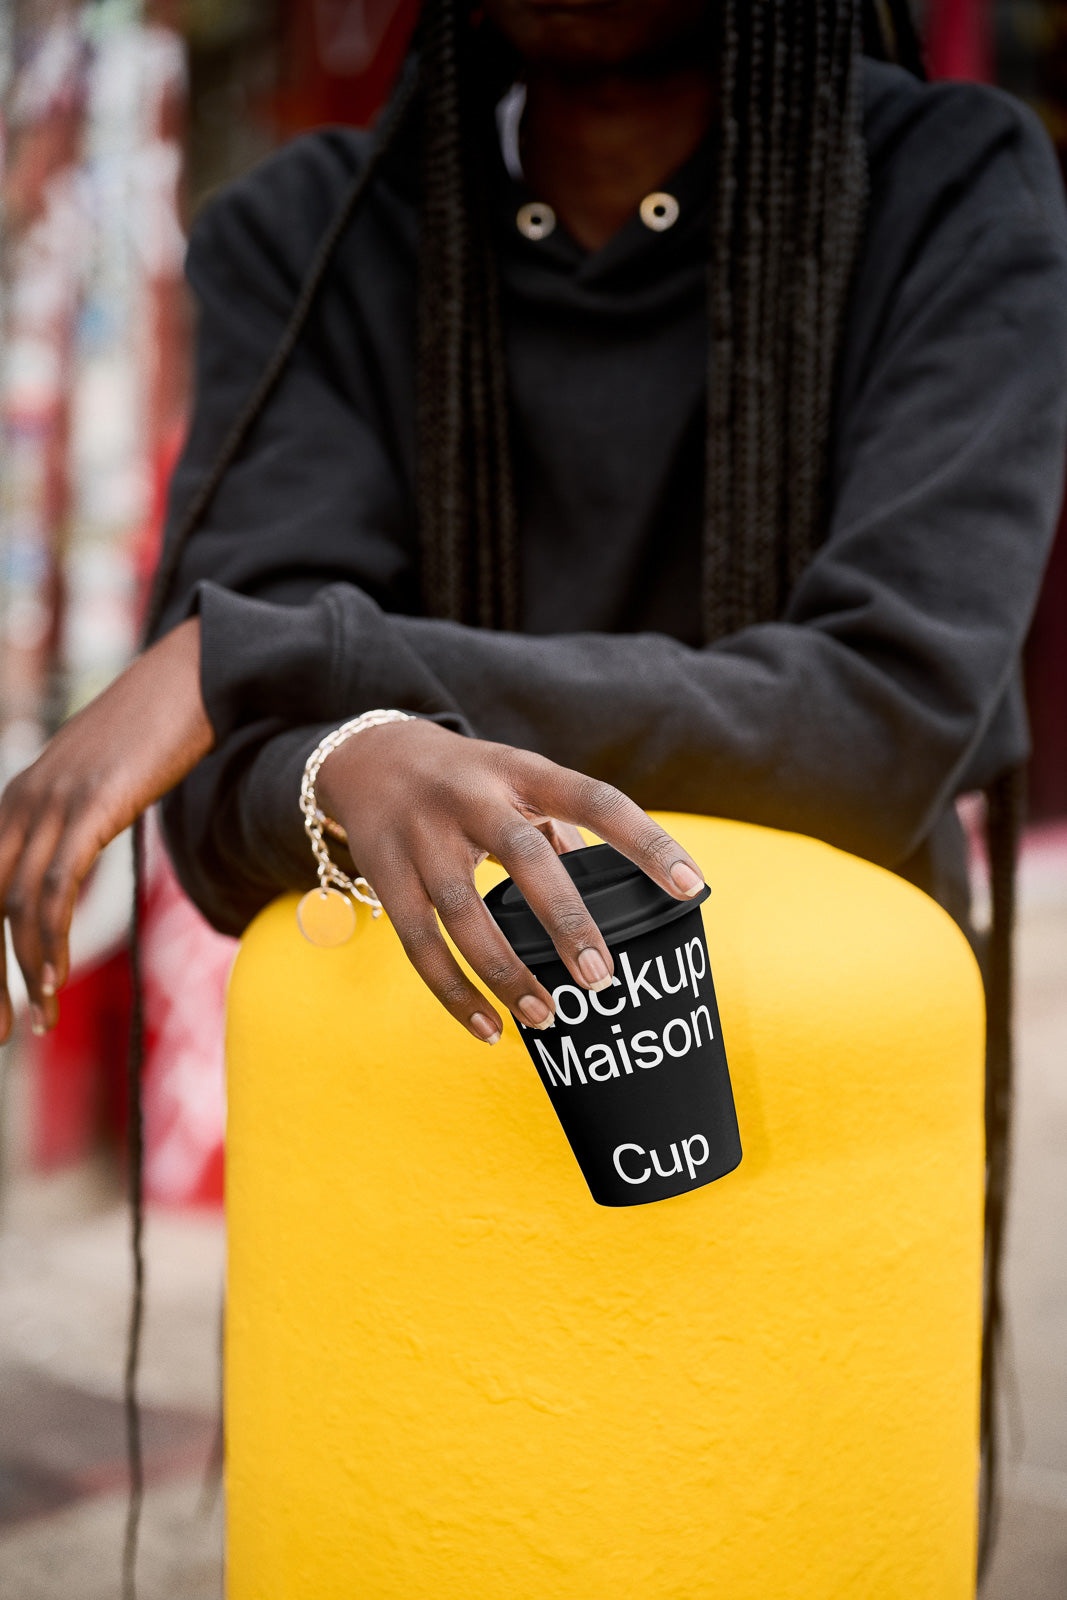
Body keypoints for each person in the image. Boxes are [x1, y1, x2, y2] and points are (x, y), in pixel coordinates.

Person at [0, 0, 1065, 1559]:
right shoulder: (308, 232)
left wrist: (288, 660)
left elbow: (880, 714)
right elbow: (223, 807)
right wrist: (347, 746)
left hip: (810, 1182)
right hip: (418, 1200)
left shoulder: (946, 184)